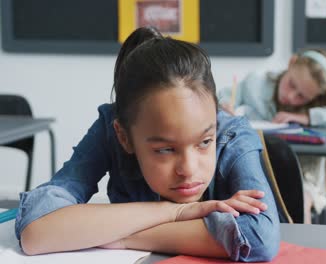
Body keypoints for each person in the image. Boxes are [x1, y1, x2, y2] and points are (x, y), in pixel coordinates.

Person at [15, 26, 280, 262]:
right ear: (124, 137)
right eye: (165, 149)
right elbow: (37, 231)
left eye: (204, 142)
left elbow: (259, 239)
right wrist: (176, 213)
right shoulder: (113, 127)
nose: (188, 169)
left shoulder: (232, 135)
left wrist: (126, 237)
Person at [218, 48, 326, 224]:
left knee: (302, 200)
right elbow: (221, 97)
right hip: (259, 168)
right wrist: (223, 105)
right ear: (291, 63)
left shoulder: (322, 103)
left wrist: (308, 116)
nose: (291, 97)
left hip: (304, 174)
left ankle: (301, 249)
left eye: (302, 97)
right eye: (291, 85)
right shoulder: (255, 83)